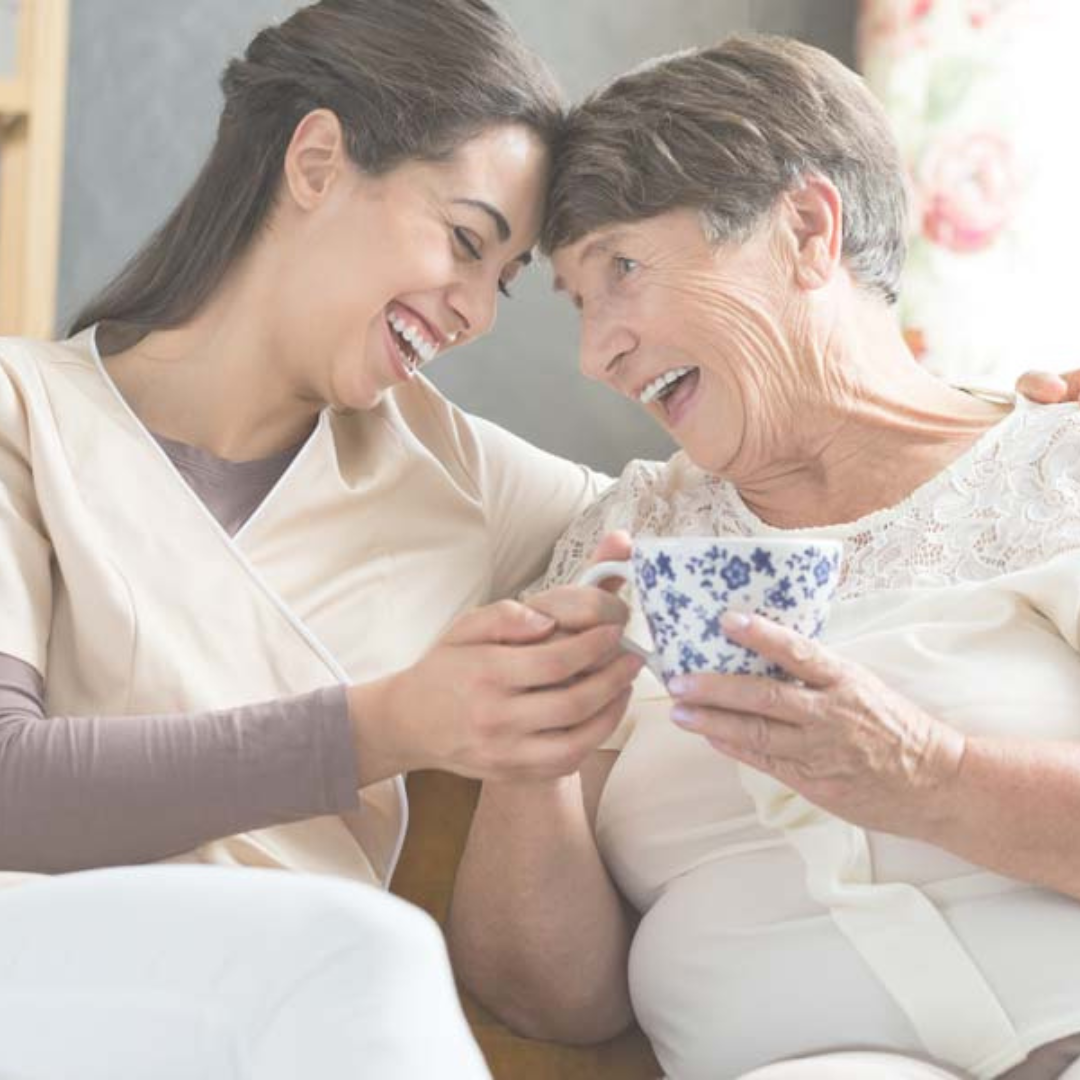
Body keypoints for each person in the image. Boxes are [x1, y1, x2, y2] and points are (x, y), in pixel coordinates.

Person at [0, 1, 641, 1075]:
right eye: (465, 242)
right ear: (315, 161)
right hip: (53, 985)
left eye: (504, 279)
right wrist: (383, 727)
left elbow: (741, 493)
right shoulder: (24, 412)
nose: (477, 309)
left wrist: (1011, 428)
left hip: (284, 1036)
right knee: (373, 947)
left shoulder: (466, 484)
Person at [449, 34, 1080, 1080]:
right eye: (576, 297)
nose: (595, 350)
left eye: (623, 270)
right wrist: (533, 767)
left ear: (805, 229)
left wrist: (930, 776)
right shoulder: (624, 541)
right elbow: (550, 999)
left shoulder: (1057, 466)